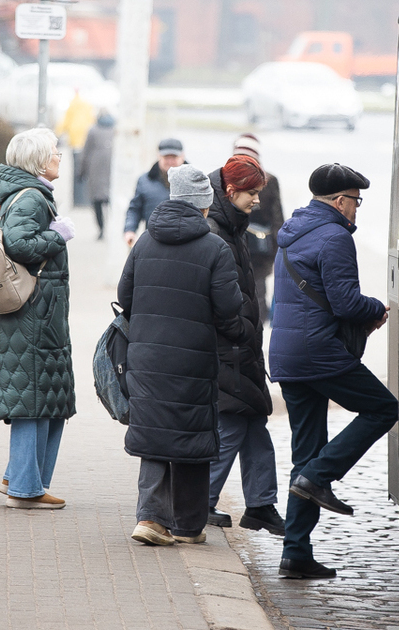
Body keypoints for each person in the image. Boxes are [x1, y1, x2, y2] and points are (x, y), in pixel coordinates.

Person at [269, 163, 395, 579]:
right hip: (319, 353)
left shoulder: (294, 229)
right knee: (383, 408)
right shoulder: (336, 236)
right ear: (341, 201)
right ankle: (320, 475)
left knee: (304, 451)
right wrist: (377, 309)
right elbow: (345, 303)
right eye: (356, 201)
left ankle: (295, 554)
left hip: (287, 354)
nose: (357, 209)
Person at [119, 164, 248, 546]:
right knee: (191, 434)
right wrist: (241, 333)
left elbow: (125, 299)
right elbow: (229, 310)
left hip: (146, 357)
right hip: (192, 359)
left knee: (155, 431)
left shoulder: (144, 242)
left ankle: (150, 517)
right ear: (205, 205)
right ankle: (189, 526)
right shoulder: (214, 248)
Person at [0, 128, 77, 509]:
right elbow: (20, 244)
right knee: (35, 397)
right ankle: (26, 488)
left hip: (39, 313)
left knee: (45, 395)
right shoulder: (31, 198)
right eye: (54, 152)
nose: (59, 156)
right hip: (35, 314)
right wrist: (57, 235)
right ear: (38, 160)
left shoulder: (31, 194)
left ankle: (22, 477)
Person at [204, 155, 285, 536]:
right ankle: (199, 502)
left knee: (254, 425)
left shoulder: (231, 225)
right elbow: (218, 299)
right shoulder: (217, 231)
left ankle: (261, 505)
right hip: (229, 351)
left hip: (241, 349)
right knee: (234, 424)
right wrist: (238, 332)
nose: (257, 201)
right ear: (231, 191)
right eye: (252, 194)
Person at [232, 134, 285, 325]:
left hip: (259, 249)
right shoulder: (224, 180)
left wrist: (279, 250)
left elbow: (277, 217)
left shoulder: (269, 181)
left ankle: (257, 334)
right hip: (232, 246)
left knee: (258, 294)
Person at [124, 138, 184, 248]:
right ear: (159, 156)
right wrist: (130, 230)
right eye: (166, 157)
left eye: (174, 157)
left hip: (184, 242)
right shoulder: (144, 181)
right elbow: (135, 208)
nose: (170, 162)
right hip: (152, 241)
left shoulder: (194, 182)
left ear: (182, 157)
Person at [78, 110, 115, 240]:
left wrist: (81, 172)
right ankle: (114, 228)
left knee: (97, 202)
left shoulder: (92, 131)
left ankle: (101, 229)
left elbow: (85, 152)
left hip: (95, 170)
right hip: (112, 169)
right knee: (111, 200)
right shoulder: (115, 130)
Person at [54, 89, 94, 208]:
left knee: (77, 169)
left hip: (75, 140)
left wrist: (57, 133)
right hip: (85, 141)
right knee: (85, 168)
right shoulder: (88, 105)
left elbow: (65, 122)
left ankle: (78, 200)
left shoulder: (72, 105)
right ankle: (84, 199)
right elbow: (92, 120)